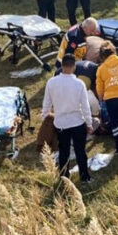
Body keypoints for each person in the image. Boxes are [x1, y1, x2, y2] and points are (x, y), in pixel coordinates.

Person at [41, 54, 94, 184]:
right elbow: (85, 106)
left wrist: (44, 117)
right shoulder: (79, 83)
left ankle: (64, 177)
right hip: (77, 122)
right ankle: (85, 177)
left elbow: (46, 103)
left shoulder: (52, 82)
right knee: (80, 151)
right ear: (74, 67)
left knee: (63, 151)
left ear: (62, 66)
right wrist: (89, 123)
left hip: (61, 123)